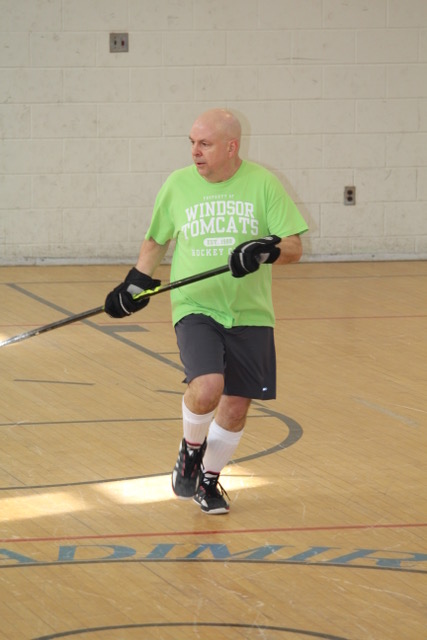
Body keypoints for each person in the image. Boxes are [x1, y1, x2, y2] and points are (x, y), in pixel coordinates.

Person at [104, 108, 308, 515]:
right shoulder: (178, 185)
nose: (195, 151)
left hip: (251, 312)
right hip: (195, 306)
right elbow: (156, 241)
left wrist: (264, 251)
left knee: (236, 406)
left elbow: (293, 247)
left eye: (205, 144)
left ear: (231, 147)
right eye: (192, 143)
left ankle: (209, 480)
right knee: (208, 386)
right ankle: (190, 448)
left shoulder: (264, 184)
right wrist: (135, 284)